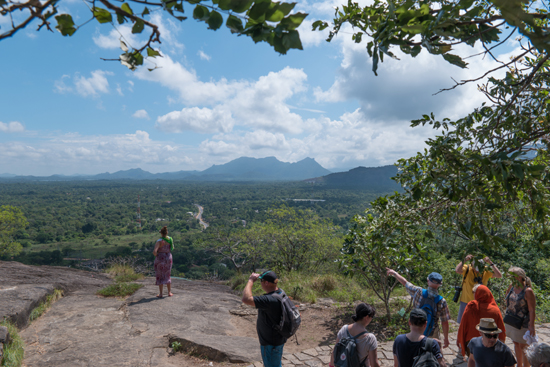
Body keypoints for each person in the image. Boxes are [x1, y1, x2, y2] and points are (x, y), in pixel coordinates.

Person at [386, 268, 451, 348]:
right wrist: (446, 339)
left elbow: (405, 282)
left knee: (415, 350)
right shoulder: (442, 301)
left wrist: (394, 273)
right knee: (432, 352)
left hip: (415, 329)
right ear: (440, 284)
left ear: (428, 281)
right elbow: (444, 322)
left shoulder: (418, 292)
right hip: (432, 331)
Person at [241, 270, 287, 367]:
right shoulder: (280, 293)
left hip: (270, 343)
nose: (260, 284)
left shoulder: (269, 300)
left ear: (266, 283)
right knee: (275, 363)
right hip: (278, 339)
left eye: (261, 281)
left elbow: (246, 299)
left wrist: (251, 281)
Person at [457, 285, 506, 359]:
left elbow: (463, 325)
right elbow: (501, 328)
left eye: (474, 292)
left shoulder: (471, 307)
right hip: (490, 342)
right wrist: (501, 345)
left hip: (471, 343)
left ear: (477, 294)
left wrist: (460, 340)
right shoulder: (495, 310)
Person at [455, 254, 502, 323]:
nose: (477, 271)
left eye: (479, 269)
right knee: (463, 322)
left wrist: (490, 263)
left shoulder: (486, 270)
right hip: (466, 301)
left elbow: (499, 275)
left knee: (478, 323)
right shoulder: (467, 268)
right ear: (472, 265)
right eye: (475, 269)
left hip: (480, 303)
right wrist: (464, 260)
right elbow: (457, 270)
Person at [504, 266, 536, 367]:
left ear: (519, 277)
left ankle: (526, 366)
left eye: (512, 276)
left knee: (524, 347)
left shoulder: (528, 291)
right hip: (512, 321)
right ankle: (519, 365)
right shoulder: (511, 286)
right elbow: (507, 297)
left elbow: (532, 310)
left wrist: (531, 325)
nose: (510, 278)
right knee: (516, 344)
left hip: (523, 323)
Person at [330, 303, 380, 367]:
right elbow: (374, 364)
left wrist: (331, 366)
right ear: (367, 317)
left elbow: (335, 352)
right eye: (371, 317)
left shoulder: (344, 329)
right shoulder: (370, 338)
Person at [153, 226, 173, 298]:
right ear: (167, 233)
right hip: (168, 257)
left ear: (161, 233)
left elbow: (155, 252)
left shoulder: (159, 241)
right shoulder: (170, 239)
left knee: (160, 275)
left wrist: (157, 255)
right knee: (167, 274)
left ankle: (161, 294)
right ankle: (169, 292)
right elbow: (172, 248)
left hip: (160, 258)